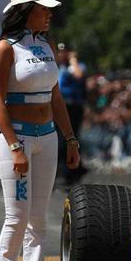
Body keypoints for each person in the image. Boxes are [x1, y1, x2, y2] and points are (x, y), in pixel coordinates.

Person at [0, 0, 79, 261]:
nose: (49, 14)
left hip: (47, 137)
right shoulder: (5, 48)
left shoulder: (47, 45)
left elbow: (55, 97)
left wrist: (70, 138)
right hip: (17, 138)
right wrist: (14, 146)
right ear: (26, 12)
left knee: (38, 219)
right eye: (43, 9)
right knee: (17, 216)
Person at [56, 43, 87, 184]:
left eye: (64, 51)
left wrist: (73, 59)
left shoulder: (76, 66)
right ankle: (61, 171)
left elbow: (78, 75)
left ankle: (73, 170)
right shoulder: (56, 67)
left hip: (72, 106)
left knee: (72, 138)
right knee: (59, 140)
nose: (61, 54)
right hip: (58, 106)